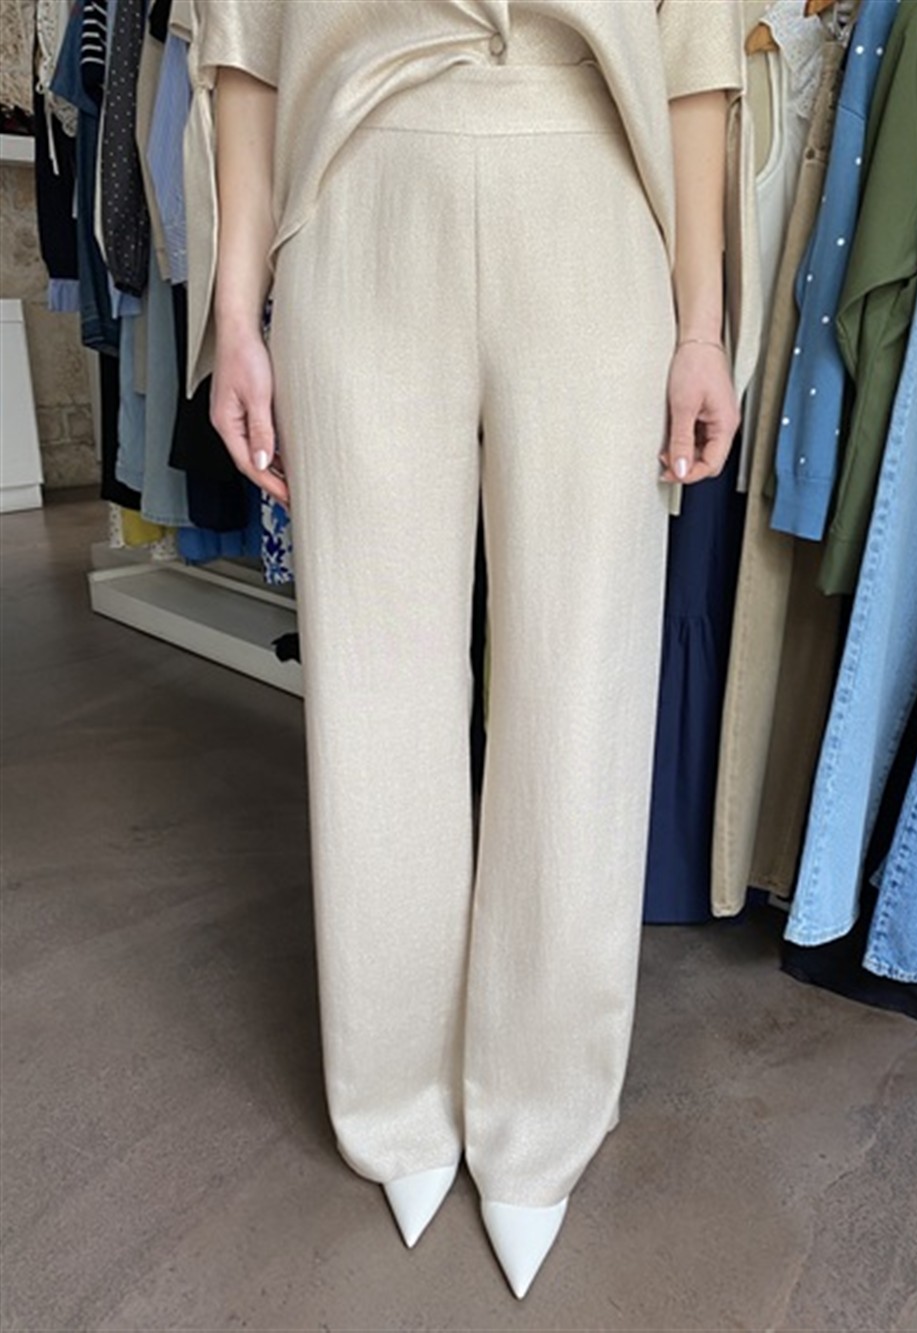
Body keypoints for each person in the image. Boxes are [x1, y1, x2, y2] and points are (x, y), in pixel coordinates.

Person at [186, 0, 758, 1300]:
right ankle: (392, 1092)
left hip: (592, 189)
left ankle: (542, 1107)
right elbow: (243, 43)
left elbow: (694, 54)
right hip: (359, 193)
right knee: (372, 679)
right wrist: (235, 309)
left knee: (582, 679)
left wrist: (701, 325)